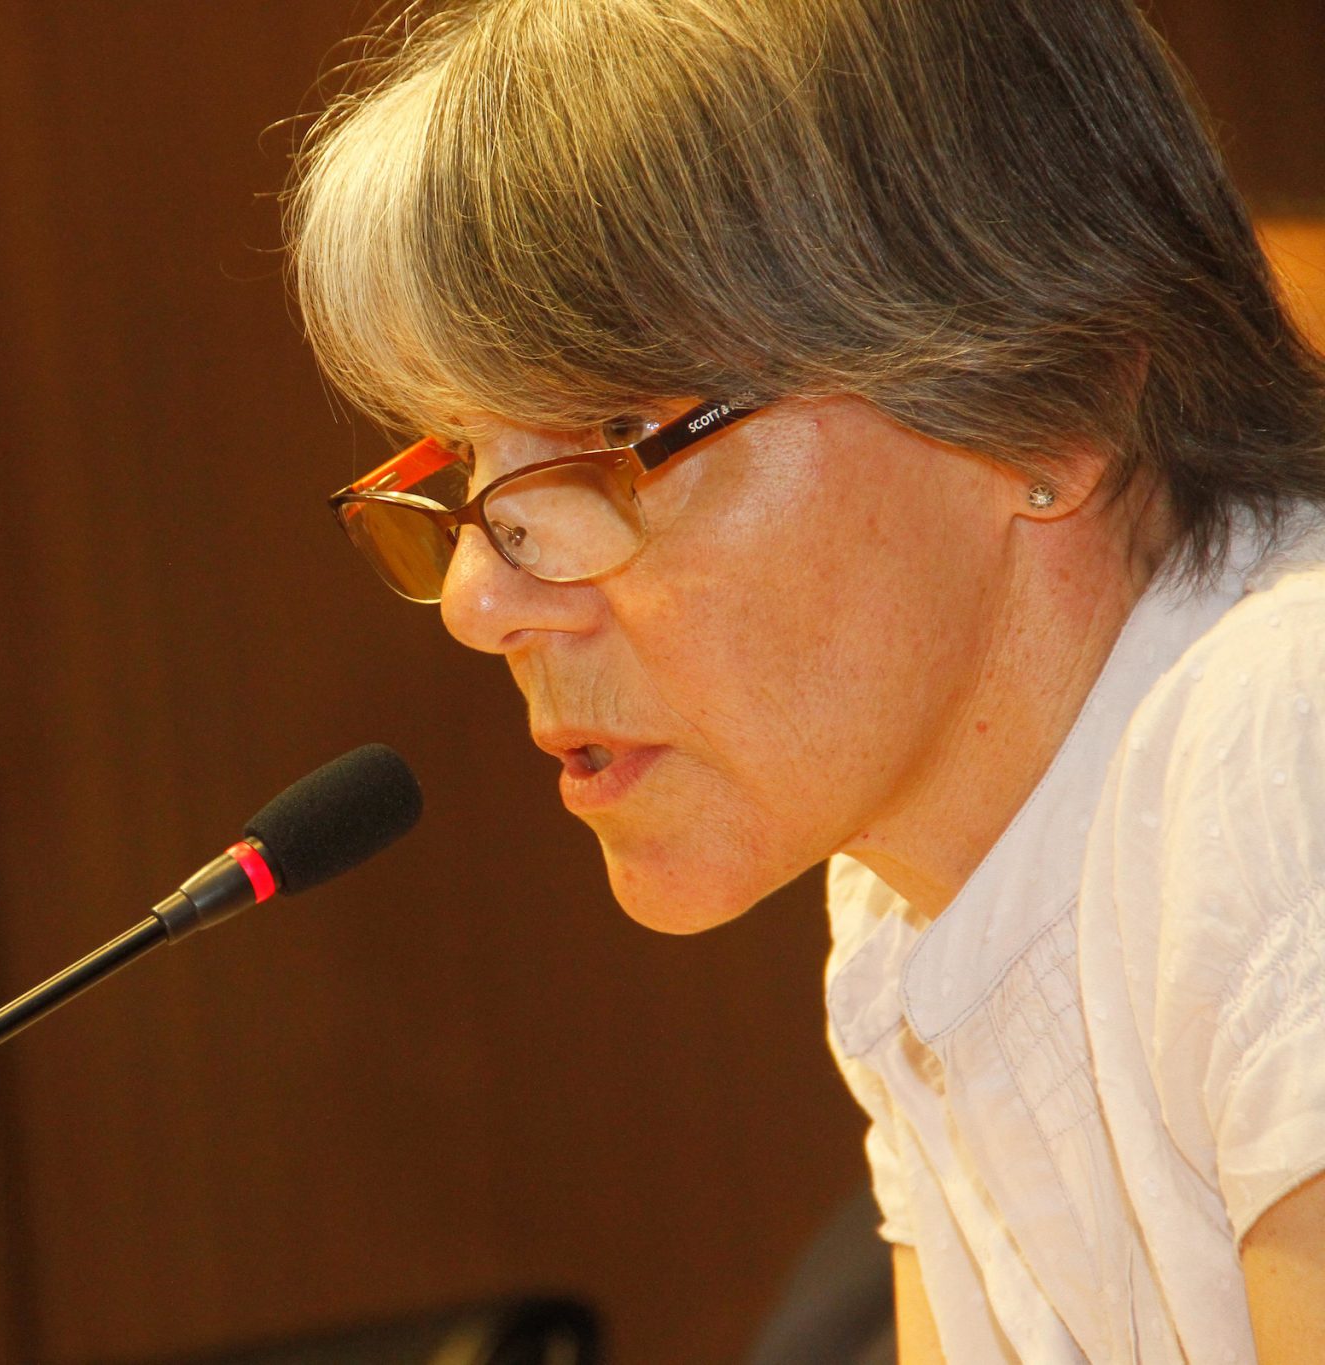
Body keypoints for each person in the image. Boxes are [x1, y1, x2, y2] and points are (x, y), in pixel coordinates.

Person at [285, 1, 1325, 1360]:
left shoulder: (1281, 723)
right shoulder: (912, 898)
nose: (481, 601)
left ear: (1045, 408)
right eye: (466, 460)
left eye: (611, 430)